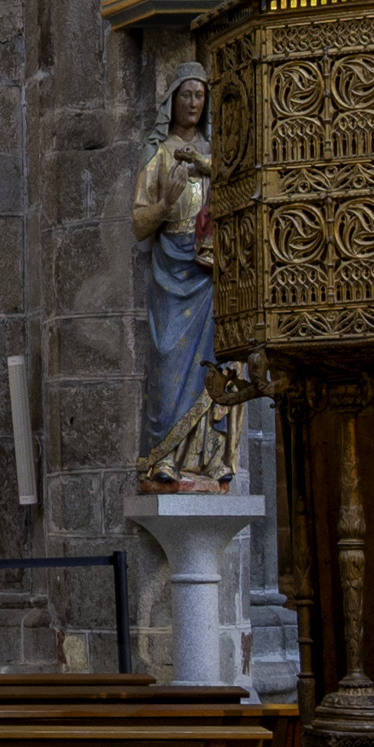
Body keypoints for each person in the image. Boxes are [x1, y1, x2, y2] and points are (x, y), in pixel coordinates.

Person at [131, 68, 237, 488]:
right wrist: (164, 204)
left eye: (200, 95)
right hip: (169, 274)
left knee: (212, 361)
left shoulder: (214, 155)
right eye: (186, 95)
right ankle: (165, 455)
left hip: (207, 272)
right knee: (168, 360)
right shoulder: (158, 155)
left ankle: (209, 458)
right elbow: (139, 224)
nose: (194, 103)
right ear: (172, 100)